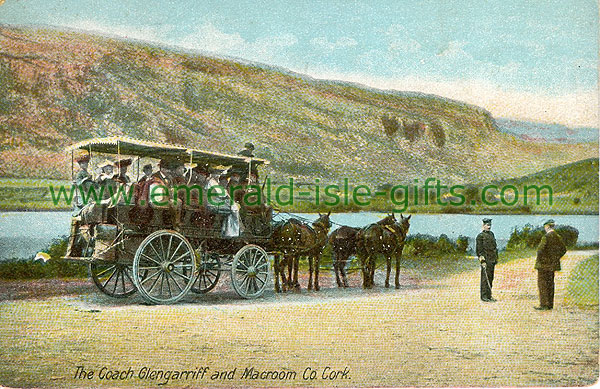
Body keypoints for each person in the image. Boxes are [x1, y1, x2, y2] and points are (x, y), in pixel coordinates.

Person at [534, 219, 567, 310]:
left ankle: (544, 304)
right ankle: (550, 305)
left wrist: (543, 260)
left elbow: (540, 250)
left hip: (544, 265)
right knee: (551, 284)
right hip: (552, 265)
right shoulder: (558, 237)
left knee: (543, 284)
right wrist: (556, 258)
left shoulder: (546, 237)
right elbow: (564, 249)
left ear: (547, 227)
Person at [205, 165, 243, 237]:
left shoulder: (213, 182)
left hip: (214, 203)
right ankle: (233, 231)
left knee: (232, 207)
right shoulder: (212, 182)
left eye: (219, 174)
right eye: (217, 173)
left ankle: (228, 230)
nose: (218, 175)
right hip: (213, 205)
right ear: (213, 174)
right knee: (233, 209)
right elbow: (223, 195)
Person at [476, 218, 498, 302]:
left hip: (492, 259)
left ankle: (489, 296)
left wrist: (496, 258)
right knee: (485, 278)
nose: (489, 227)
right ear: (483, 225)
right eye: (487, 225)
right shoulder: (480, 236)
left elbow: (494, 248)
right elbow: (479, 250)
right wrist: (482, 261)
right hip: (486, 260)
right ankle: (484, 296)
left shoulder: (492, 234)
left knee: (491, 278)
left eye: (490, 225)